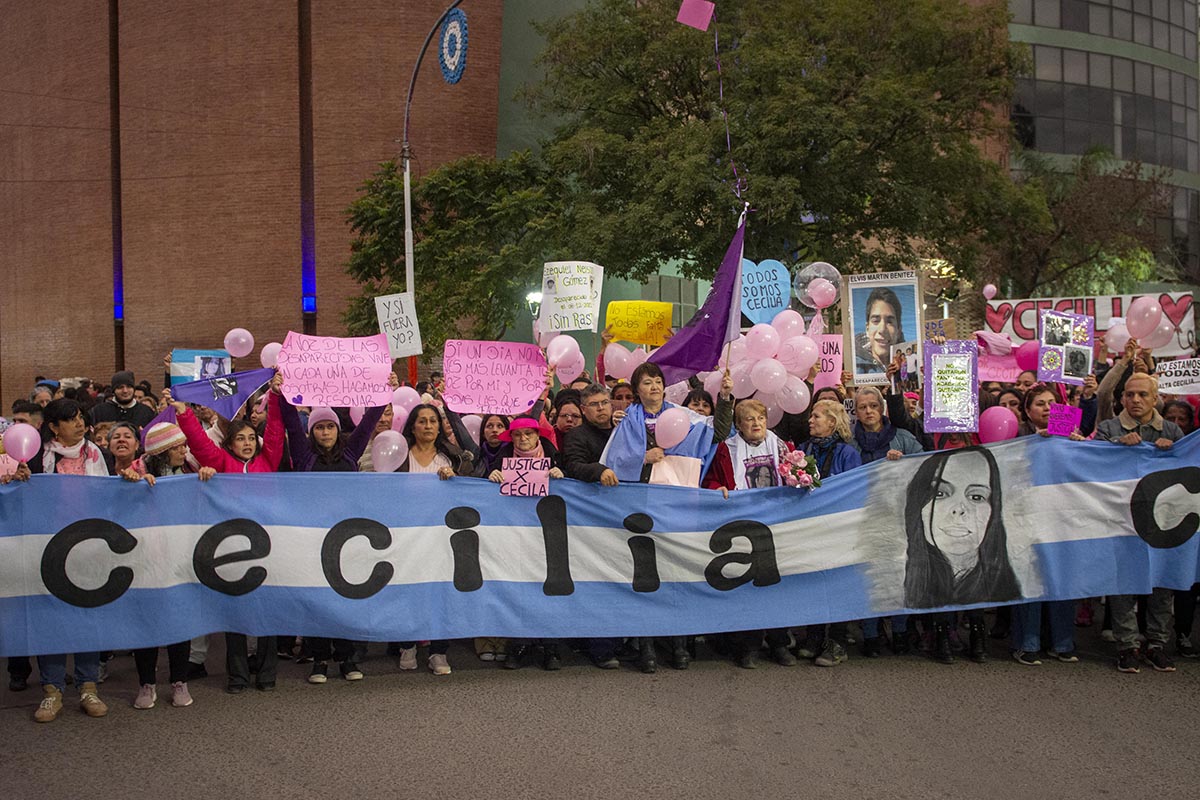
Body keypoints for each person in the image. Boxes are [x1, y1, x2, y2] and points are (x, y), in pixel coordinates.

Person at [601, 362, 732, 672]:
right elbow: (612, 462)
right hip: (640, 509)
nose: (654, 387)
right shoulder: (626, 422)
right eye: (647, 383)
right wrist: (642, 458)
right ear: (637, 390)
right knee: (644, 576)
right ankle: (646, 646)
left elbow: (719, 433)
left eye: (658, 381)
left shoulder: (684, 416)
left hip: (676, 508)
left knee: (675, 575)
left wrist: (725, 398)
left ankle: (678, 644)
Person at [170, 379, 286, 692]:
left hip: (267, 544)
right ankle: (237, 676)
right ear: (231, 444)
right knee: (235, 614)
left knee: (266, 613)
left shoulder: (268, 461)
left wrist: (274, 396)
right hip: (232, 547)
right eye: (241, 439)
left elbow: (275, 430)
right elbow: (199, 444)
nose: (248, 443)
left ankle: (266, 675)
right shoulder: (220, 463)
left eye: (252, 438)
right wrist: (183, 413)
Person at [279, 397, 386, 685]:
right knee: (318, 600)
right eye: (319, 428)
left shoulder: (351, 454)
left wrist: (383, 392)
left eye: (330, 427)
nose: (325, 433)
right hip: (313, 539)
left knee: (347, 598)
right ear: (311, 432)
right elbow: (290, 421)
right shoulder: (304, 456)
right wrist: (282, 393)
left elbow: (369, 422)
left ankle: (347, 656)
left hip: (348, 538)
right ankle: (320, 658)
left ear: (338, 430)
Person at [20, 399, 114, 721]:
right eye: (70, 419)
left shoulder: (97, 455)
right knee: (51, 618)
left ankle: (88, 687)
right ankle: (52, 691)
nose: (78, 423)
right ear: (54, 427)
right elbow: (22, 497)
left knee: (87, 615)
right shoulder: (35, 455)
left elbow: (109, 495)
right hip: (47, 547)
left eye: (80, 418)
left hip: (87, 545)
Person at [1095, 373, 1185, 673]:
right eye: (1130, 395)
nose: (1135, 400)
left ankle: (1157, 644)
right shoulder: (1109, 428)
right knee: (1124, 582)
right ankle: (1128, 645)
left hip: (1163, 520)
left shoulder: (1172, 430)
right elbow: (1091, 464)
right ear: (1121, 399)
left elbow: (1188, 470)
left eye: (1142, 395)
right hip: (1121, 519)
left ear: (1155, 398)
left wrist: (1171, 451)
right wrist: (1116, 447)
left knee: (1162, 582)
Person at [702, 399, 799, 669]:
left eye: (760, 418)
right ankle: (748, 646)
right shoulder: (725, 449)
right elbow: (712, 480)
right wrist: (717, 487)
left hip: (778, 524)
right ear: (738, 426)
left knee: (777, 587)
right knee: (748, 587)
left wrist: (801, 477)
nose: (756, 423)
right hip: (743, 525)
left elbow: (800, 474)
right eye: (749, 419)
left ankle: (780, 644)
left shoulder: (782, 446)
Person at [390, 404, 474, 676]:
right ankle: (408, 645)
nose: (427, 426)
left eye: (433, 421)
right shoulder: (398, 456)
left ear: (440, 427)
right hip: (406, 537)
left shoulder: (451, 458)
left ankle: (439, 650)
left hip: (442, 538)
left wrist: (455, 480)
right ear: (412, 426)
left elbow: (467, 492)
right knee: (409, 592)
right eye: (422, 421)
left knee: (441, 594)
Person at [487, 417, 567, 671]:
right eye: (518, 435)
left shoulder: (554, 456)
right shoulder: (502, 458)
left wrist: (561, 476)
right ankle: (519, 644)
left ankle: (550, 645)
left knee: (549, 588)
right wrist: (492, 475)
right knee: (520, 588)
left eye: (528, 434)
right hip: (516, 533)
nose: (523, 439)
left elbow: (574, 484)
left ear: (537, 436)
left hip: (549, 533)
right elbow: (486, 486)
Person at [1007, 384, 1078, 666]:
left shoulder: (1069, 434)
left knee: (1063, 577)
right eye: (1039, 403)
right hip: (1025, 518)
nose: (1047, 408)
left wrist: (1079, 446)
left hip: (1061, 518)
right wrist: (1034, 445)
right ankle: (1028, 642)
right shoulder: (1016, 437)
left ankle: (1062, 642)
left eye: (1051, 402)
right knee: (1030, 579)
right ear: (1027, 410)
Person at [560, 383, 624, 669]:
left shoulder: (622, 430)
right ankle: (600, 648)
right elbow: (573, 466)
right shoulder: (576, 436)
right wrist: (599, 471)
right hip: (591, 522)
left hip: (624, 517)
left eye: (604, 403)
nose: (601, 408)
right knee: (598, 584)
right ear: (584, 410)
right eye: (594, 405)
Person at [854, 287, 903, 374]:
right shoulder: (853, 365)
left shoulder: (911, 361)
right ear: (867, 328)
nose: (882, 329)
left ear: (899, 330)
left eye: (889, 322)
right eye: (876, 321)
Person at [91, 371, 157, 428]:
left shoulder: (146, 412)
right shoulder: (99, 411)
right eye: (120, 387)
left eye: (129, 387)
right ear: (114, 390)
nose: (125, 391)